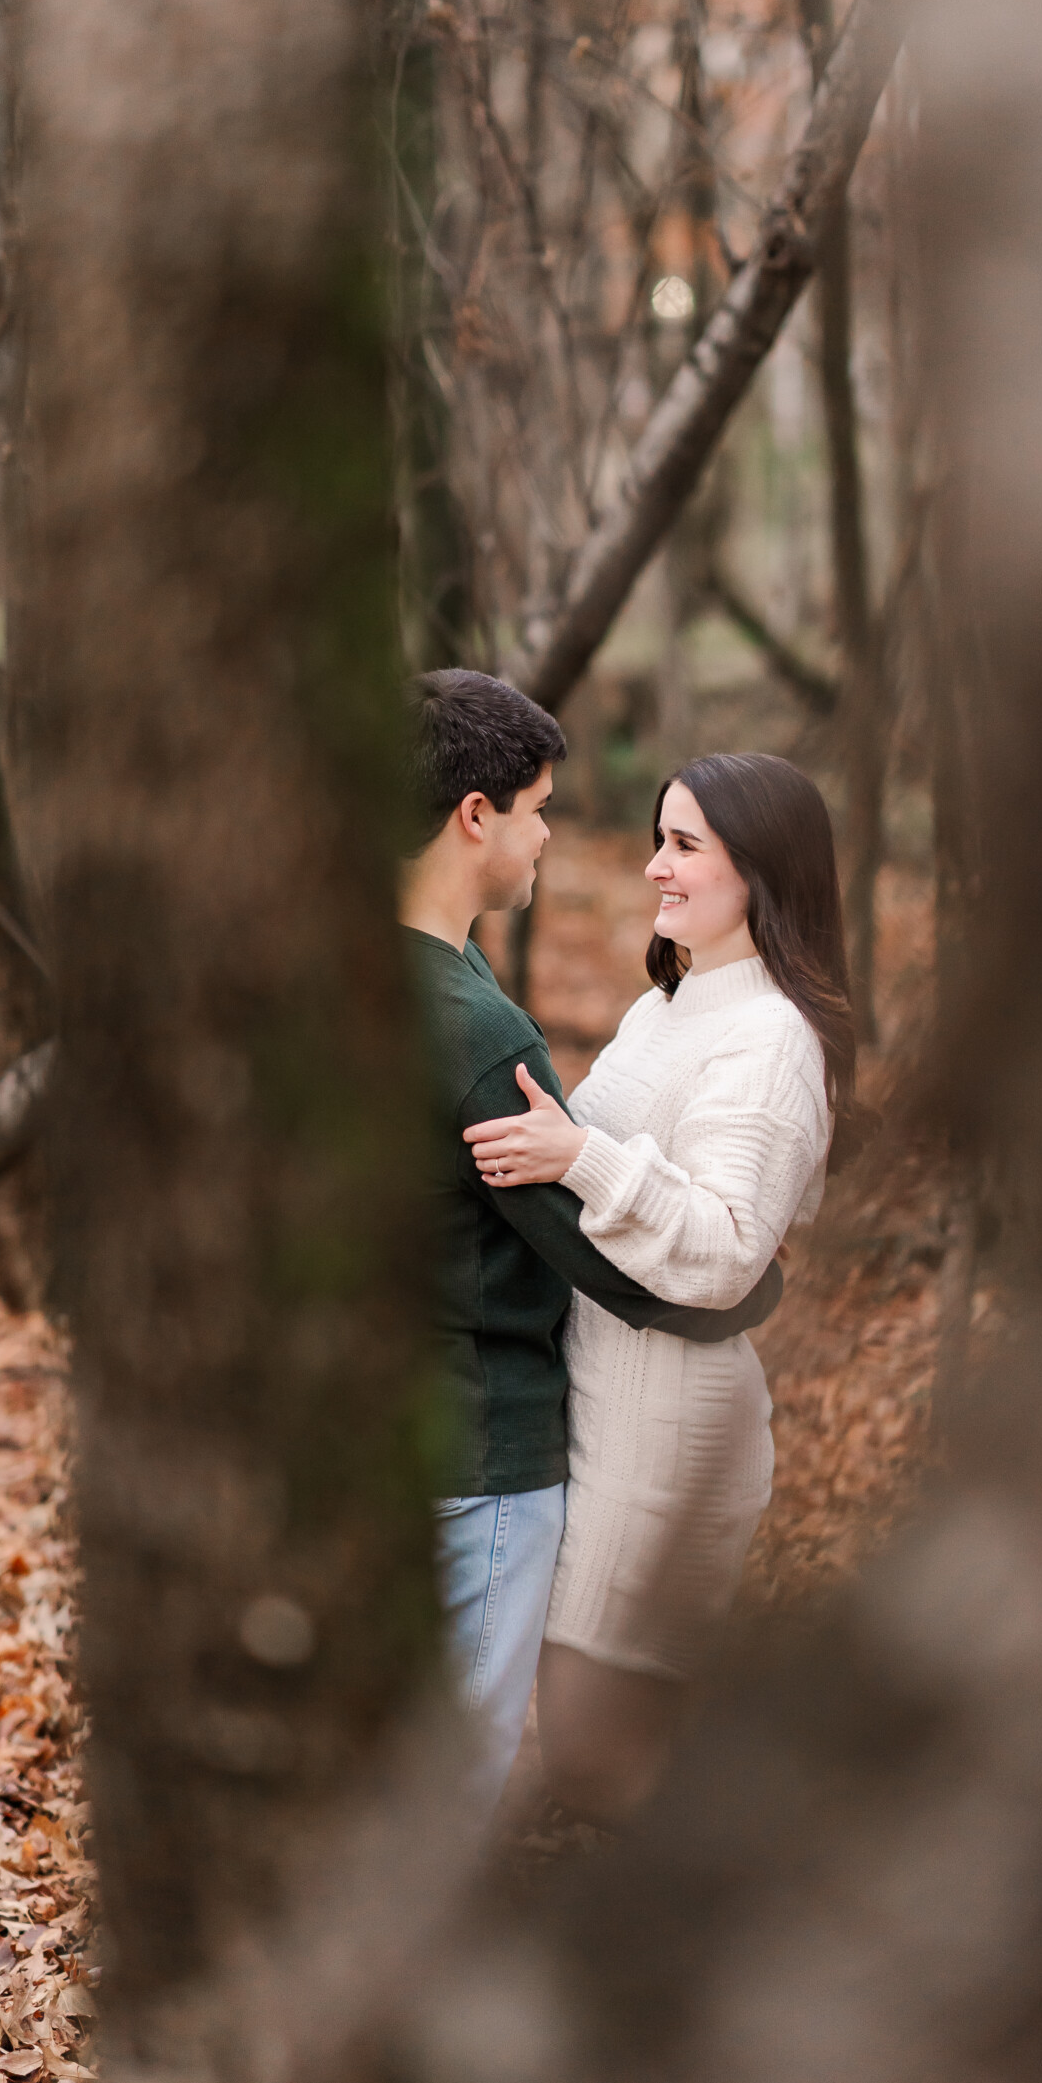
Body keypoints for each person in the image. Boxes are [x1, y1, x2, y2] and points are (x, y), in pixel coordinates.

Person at [399, 672, 785, 1818]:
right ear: (477, 815)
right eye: (537, 808)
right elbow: (616, 1266)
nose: (548, 836)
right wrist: (748, 1288)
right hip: (485, 1455)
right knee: (449, 1786)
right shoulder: (474, 1028)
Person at [465, 751, 853, 1822]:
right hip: (599, 1400)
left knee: (614, 1745)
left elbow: (729, 1247)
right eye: (659, 839)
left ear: (763, 871)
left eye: (685, 845)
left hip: (666, 1431)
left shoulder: (772, 1038)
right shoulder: (672, 1007)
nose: (654, 869)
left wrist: (576, 1158)